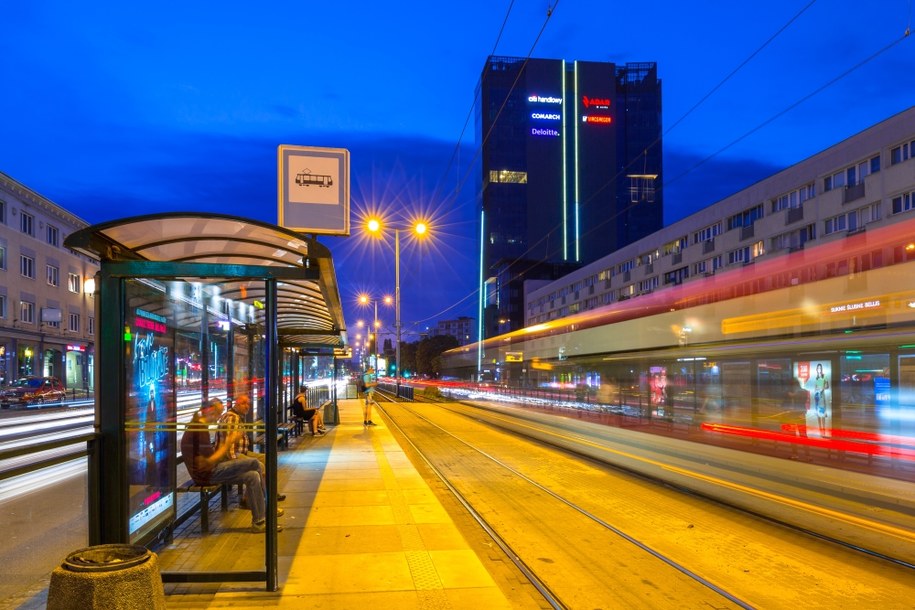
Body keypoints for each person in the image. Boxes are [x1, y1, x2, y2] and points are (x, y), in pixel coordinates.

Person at [180, 398, 283, 533]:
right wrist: (228, 443)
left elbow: (209, 458)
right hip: (208, 475)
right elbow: (208, 462)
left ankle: (259, 521)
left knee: (252, 476)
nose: (218, 419)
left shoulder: (199, 427)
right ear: (210, 411)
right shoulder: (198, 430)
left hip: (210, 471)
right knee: (254, 463)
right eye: (218, 413)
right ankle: (269, 509)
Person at [216, 394, 287, 505]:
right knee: (260, 466)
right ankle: (267, 499)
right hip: (233, 454)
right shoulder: (232, 417)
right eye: (244, 403)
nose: (247, 406)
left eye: (248, 403)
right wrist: (237, 461)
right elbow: (228, 444)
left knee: (268, 458)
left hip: (241, 452)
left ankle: (254, 496)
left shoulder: (237, 416)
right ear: (237, 404)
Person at [812, 363, 830, 436]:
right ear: (817, 369)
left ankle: (824, 431)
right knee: (818, 415)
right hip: (817, 396)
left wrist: (823, 388)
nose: (819, 369)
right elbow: (815, 387)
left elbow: (827, 386)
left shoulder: (824, 376)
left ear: (821, 369)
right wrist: (815, 391)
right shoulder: (816, 377)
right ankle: (820, 431)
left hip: (822, 396)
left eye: (820, 368)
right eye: (818, 368)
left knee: (822, 414)